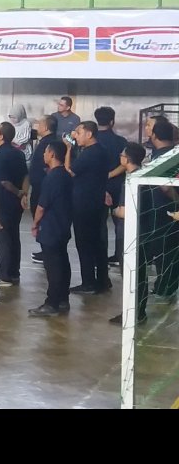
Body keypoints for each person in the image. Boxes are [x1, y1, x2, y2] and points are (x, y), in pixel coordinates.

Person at [29, 140, 75, 317]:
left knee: (53, 266)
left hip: (51, 228)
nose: (43, 155)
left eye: (46, 152)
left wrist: (35, 224)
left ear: (53, 155)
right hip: (63, 226)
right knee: (62, 262)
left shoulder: (52, 178)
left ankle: (52, 302)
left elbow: (42, 206)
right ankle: (63, 299)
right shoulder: (65, 175)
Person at [66, 121, 111, 295]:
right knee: (98, 242)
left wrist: (69, 149)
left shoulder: (90, 154)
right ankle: (102, 279)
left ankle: (88, 283)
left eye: (78, 132)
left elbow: (70, 170)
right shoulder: (102, 151)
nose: (75, 135)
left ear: (89, 134)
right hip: (96, 201)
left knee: (84, 243)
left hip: (84, 204)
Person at [109, 144, 148, 325]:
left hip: (128, 234)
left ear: (126, 159)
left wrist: (113, 209)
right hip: (139, 232)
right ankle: (139, 312)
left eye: (122, 154)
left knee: (131, 275)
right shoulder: (143, 176)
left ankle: (133, 313)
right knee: (139, 274)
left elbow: (124, 212)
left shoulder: (131, 180)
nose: (120, 157)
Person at [0, 122, 30, 287]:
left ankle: (5, 275)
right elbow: (26, 176)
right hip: (16, 203)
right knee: (14, 236)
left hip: (3, 201)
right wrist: (23, 193)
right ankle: (14, 272)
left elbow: (3, 181)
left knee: (2, 238)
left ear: (1, 135)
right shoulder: (19, 154)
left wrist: (16, 192)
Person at [94, 107, 128, 266]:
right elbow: (125, 164)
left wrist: (102, 176)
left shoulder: (92, 142)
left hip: (97, 188)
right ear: (112, 122)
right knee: (120, 224)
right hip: (117, 187)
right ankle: (119, 255)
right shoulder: (121, 142)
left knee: (99, 224)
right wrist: (111, 174)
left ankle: (100, 256)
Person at [29, 115, 59, 263]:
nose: (37, 127)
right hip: (38, 185)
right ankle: (43, 249)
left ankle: (47, 249)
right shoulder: (44, 142)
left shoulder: (50, 143)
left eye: (39, 124)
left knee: (43, 216)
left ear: (46, 127)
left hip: (43, 187)